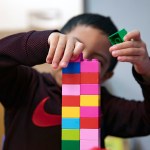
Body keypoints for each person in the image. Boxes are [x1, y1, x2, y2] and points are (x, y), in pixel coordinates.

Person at [0, 13, 150, 150]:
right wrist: (41, 42)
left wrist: (147, 72)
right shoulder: (27, 85)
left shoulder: (105, 106)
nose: (80, 60)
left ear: (105, 76)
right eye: (71, 47)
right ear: (54, 47)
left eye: (96, 60)